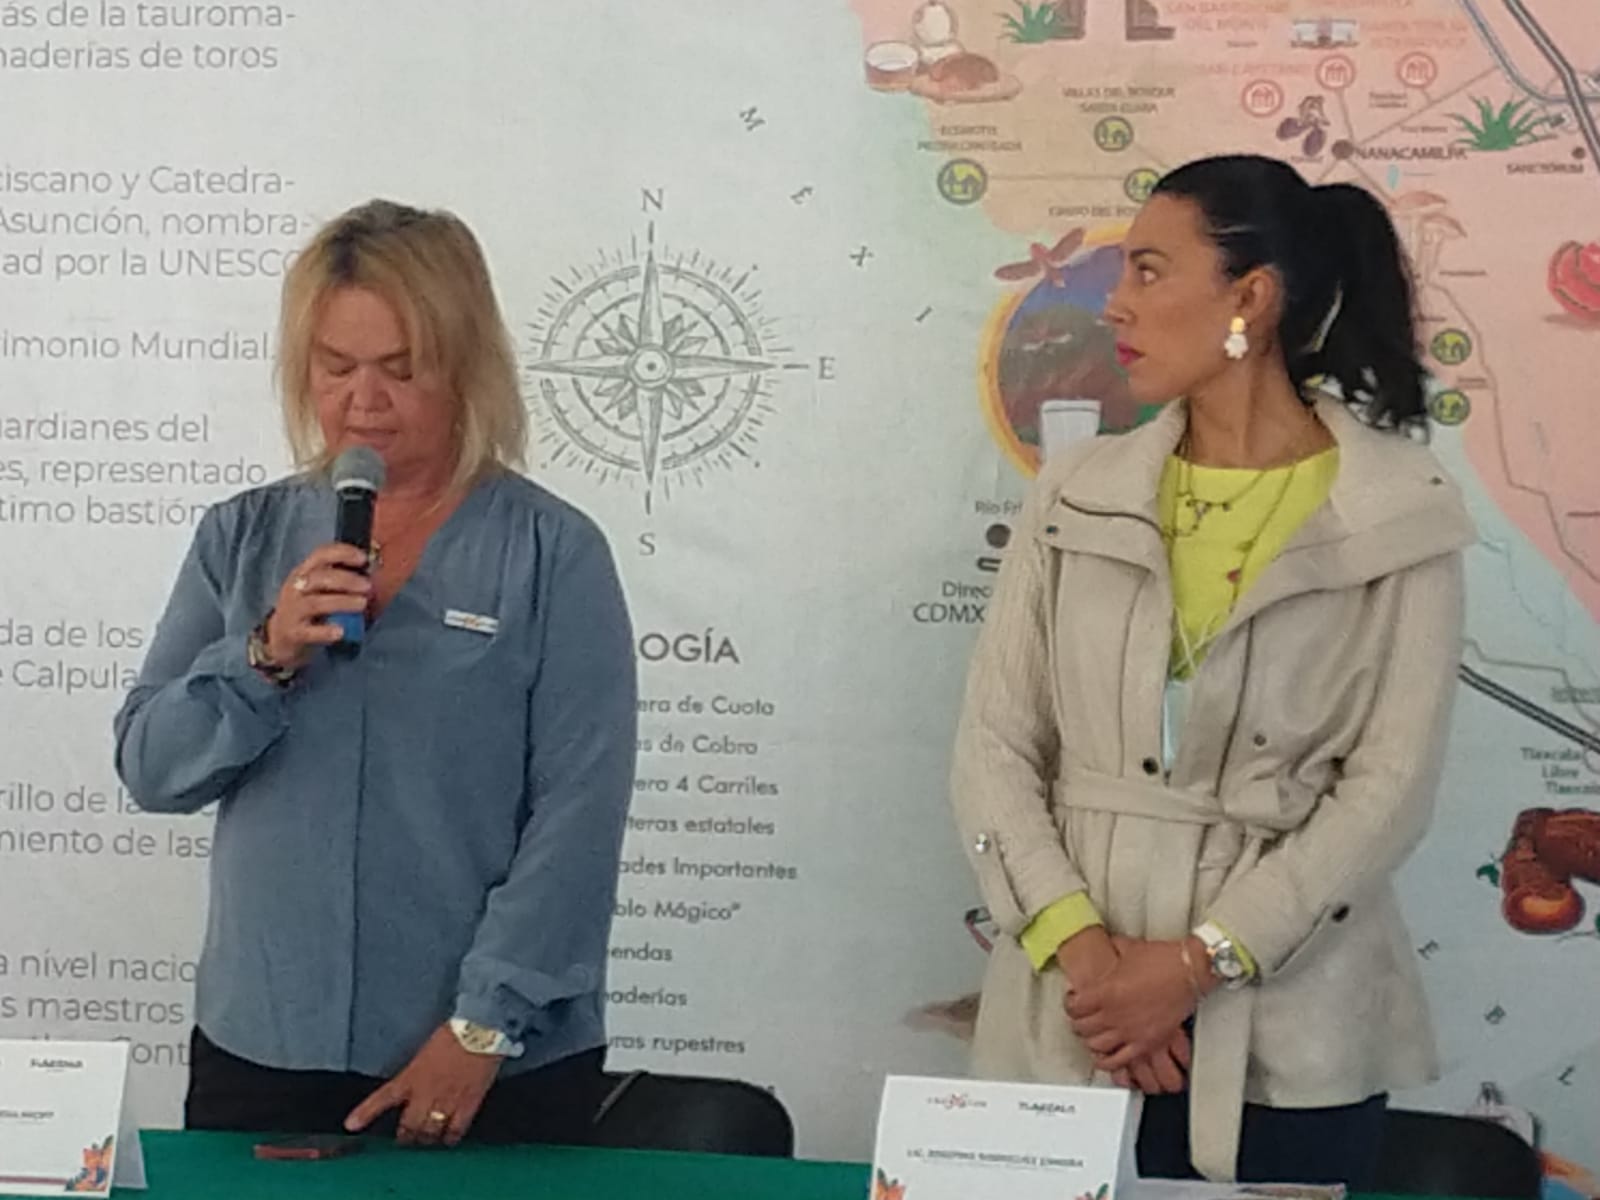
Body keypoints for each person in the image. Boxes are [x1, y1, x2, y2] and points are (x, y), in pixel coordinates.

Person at [950, 154, 1475, 1183]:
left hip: (1291, 1039)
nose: (1114, 304)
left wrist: (1197, 966)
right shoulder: (1074, 495)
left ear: (1251, 297)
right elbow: (994, 745)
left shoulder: (1399, 513)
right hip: (1072, 1023)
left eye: (1148, 270)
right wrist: (1093, 965)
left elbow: (1388, 790)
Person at [113, 199, 637, 1149]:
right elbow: (153, 769)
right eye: (336, 366)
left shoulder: (552, 553)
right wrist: (264, 654)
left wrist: (482, 1028)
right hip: (265, 1046)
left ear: (466, 365)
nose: (365, 400)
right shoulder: (240, 537)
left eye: (401, 369)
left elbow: (578, 814)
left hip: (488, 1061)